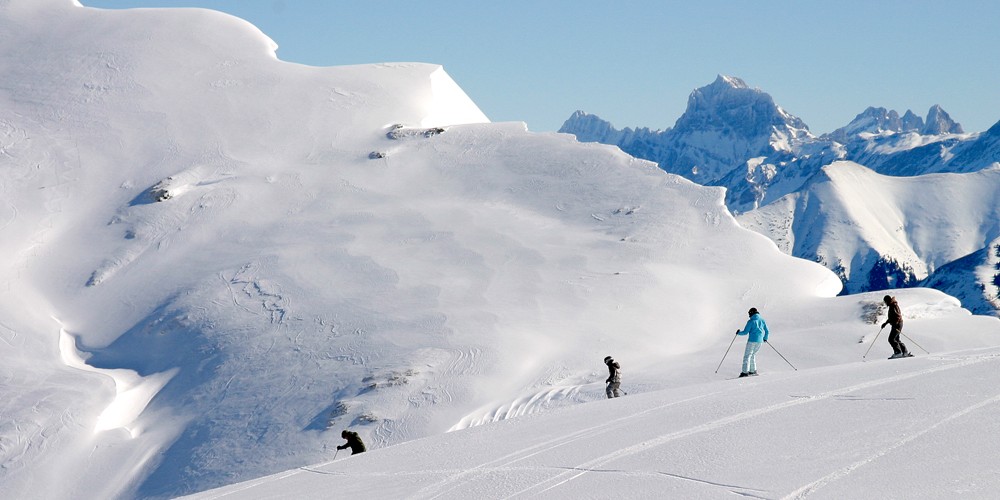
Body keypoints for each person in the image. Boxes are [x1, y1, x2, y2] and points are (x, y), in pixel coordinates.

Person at [735, 307, 769, 377]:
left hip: (752, 341)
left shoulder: (751, 321)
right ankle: (753, 371)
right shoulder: (762, 320)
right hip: (760, 341)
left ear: (751, 313)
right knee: (753, 355)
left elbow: (745, 332)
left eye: (749, 314)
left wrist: (738, 333)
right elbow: (767, 331)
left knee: (747, 356)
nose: (749, 316)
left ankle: (745, 372)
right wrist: (765, 338)